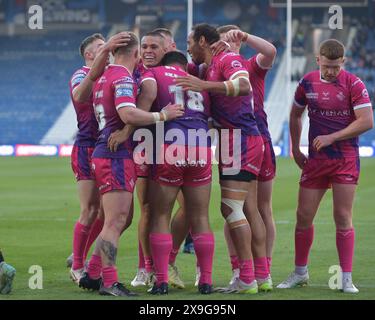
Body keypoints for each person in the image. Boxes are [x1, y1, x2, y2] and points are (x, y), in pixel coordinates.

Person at [85, 32, 184, 296]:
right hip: (115, 154)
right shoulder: (122, 77)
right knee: (115, 221)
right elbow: (127, 113)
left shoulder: (103, 74)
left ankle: (92, 273)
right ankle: (110, 281)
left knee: (117, 219)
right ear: (136, 54)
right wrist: (162, 114)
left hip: (105, 152)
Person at [277, 39, 373, 293]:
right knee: (303, 216)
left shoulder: (354, 83)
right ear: (317, 59)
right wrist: (295, 147)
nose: (330, 71)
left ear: (343, 62)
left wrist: (332, 137)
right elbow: (295, 114)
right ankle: (300, 272)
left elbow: (366, 121)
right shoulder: (307, 82)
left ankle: (346, 278)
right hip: (316, 160)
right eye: (326, 65)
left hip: (345, 158)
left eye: (335, 66)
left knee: (342, 216)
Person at [176, 23, 265, 294]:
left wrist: (204, 84)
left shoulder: (228, 58)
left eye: (190, 42)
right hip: (230, 141)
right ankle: (248, 276)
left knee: (233, 208)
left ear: (202, 41)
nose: (188, 48)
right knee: (231, 209)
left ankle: (248, 278)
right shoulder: (209, 64)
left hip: (240, 139)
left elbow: (243, 84)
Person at [139, 51, 214, 295]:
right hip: (201, 145)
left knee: (160, 214)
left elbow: (146, 101)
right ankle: (206, 282)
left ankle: (160, 281)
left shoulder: (155, 73)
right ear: (184, 65)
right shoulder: (198, 84)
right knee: (200, 216)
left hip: (171, 144)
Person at [216, 25, 276, 291]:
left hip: (251, 138)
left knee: (253, 208)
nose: (229, 44)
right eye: (224, 40)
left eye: (232, 39)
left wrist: (246, 36)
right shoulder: (220, 66)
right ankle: (248, 271)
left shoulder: (250, 65)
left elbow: (271, 51)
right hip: (244, 139)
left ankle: (259, 271)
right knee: (245, 207)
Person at [67, 32, 131, 283]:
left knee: (113, 216)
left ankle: (88, 260)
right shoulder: (81, 75)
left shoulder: (111, 75)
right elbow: (80, 97)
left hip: (108, 149)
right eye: (102, 47)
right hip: (87, 147)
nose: (108, 49)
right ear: (90, 55)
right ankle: (78, 264)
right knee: (91, 209)